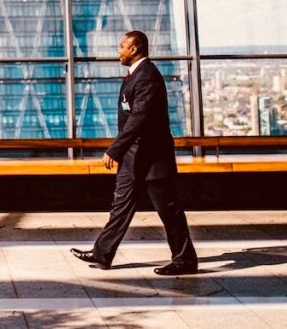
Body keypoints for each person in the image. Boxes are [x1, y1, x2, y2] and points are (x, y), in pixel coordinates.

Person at [71, 30, 198, 275]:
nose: (118, 51)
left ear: (135, 49)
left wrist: (114, 149)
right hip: (134, 157)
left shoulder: (147, 77)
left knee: (169, 211)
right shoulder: (135, 75)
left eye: (122, 46)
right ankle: (102, 253)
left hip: (152, 158)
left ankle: (185, 260)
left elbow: (139, 118)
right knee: (120, 205)